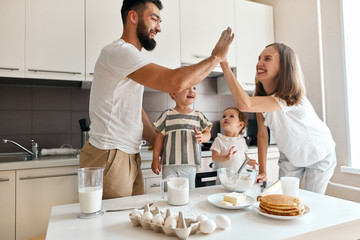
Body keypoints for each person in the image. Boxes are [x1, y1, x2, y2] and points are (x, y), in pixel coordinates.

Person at [79, 0, 234, 199]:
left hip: (127, 154)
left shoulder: (131, 59)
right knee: (113, 225)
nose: (159, 28)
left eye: (160, 21)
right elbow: (175, 82)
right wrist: (215, 58)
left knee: (129, 222)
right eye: (154, 19)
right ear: (133, 17)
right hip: (111, 153)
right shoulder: (119, 52)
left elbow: (135, 111)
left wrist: (160, 144)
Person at [220, 43, 336, 194]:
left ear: (284, 67)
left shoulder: (291, 98)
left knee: (311, 201)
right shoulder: (260, 99)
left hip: (318, 153)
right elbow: (262, 134)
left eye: (267, 58)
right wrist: (263, 170)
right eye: (259, 58)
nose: (259, 63)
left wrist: (224, 63)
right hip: (290, 156)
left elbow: (244, 104)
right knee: (284, 200)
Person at [151, 86, 212, 189]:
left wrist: (203, 137)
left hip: (190, 165)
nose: (192, 91)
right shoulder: (167, 115)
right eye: (187, 88)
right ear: (173, 93)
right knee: (169, 194)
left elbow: (208, 132)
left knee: (189, 195)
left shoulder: (198, 115)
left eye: (194, 88)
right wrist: (155, 158)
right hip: (169, 165)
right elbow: (159, 137)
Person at [211, 107, 257, 174]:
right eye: (224, 116)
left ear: (240, 125)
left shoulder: (242, 140)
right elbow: (214, 157)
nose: (226, 118)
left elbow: (243, 155)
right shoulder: (219, 140)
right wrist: (226, 157)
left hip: (240, 177)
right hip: (225, 178)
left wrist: (248, 161)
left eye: (231, 116)